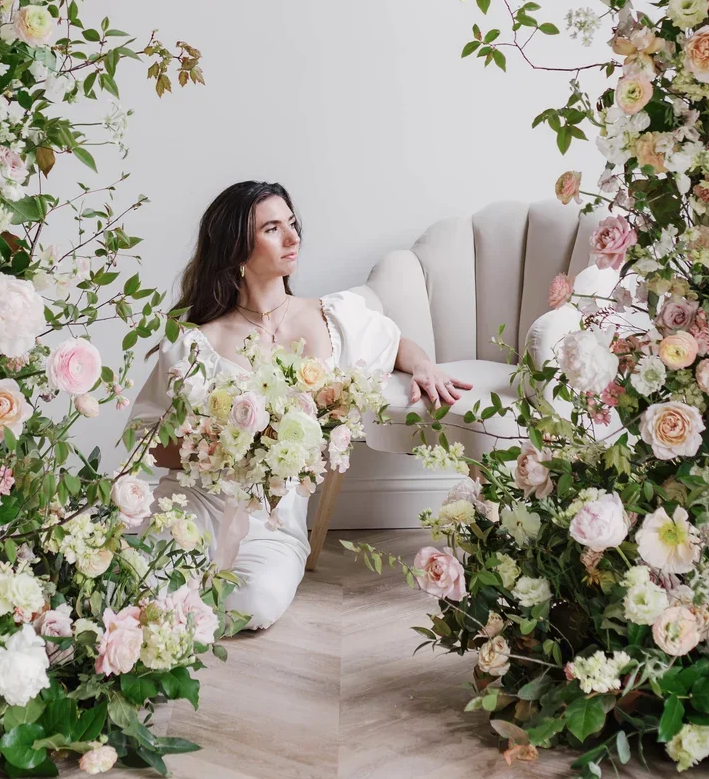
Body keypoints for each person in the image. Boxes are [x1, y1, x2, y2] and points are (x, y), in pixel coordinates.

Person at [126, 180, 472, 632]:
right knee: (150, 588)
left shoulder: (331, 316)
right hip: (196, 502)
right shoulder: (195, 342)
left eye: (292, 224)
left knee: (255, 603)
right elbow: (146, 439)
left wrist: (424, 366)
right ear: (236, 248)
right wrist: (219, 449)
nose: (293, 238)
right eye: (273, 229)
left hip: (272, 522)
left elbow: (395, 344)